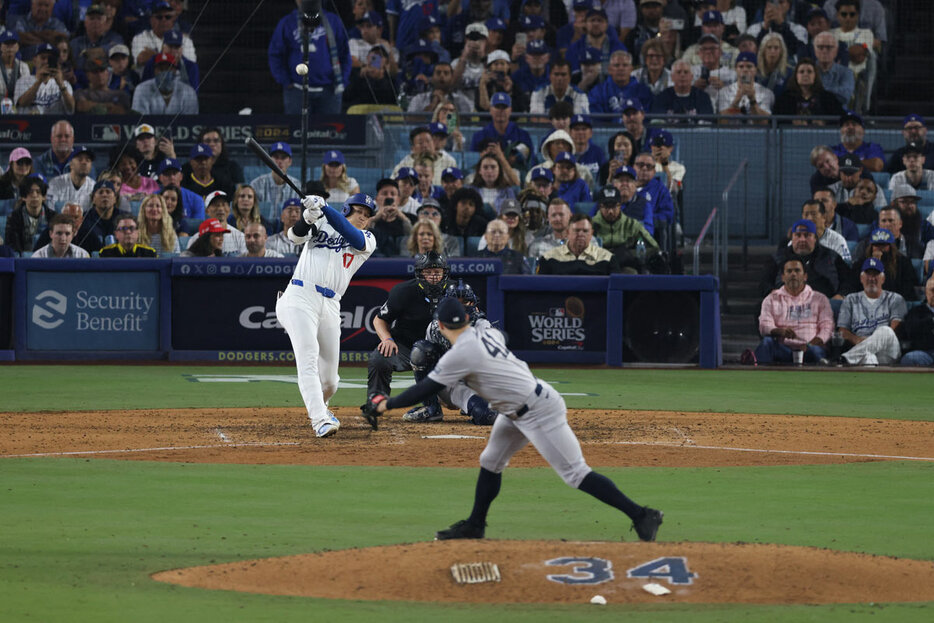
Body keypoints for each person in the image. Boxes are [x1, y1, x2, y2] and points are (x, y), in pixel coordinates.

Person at [364, 296, 664, 542]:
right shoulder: (486, 333)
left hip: (539, 411)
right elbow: (501, 337)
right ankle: (475, 525)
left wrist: (385, 403)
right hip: (517, 408)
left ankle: (642, 515)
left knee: (575, 473)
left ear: (440, 326)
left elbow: (425, 388)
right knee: (491, 461)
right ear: (466, 320)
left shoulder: (460, 354)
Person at [276, 190, 376, 434]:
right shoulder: (321, 221)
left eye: (367, 214)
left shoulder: (367, 238)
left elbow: (351, 234)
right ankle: (320, 419)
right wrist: (309, 217)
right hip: (299, 296)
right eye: (358, 211)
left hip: (331, 304)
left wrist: (324, 208)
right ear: (347, 209)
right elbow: (295, 236)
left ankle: (322, 406)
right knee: (308, 359)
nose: (362, 217)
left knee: (330, 381)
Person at [367, 250, 449, 409]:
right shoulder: (403, 291)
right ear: (420, 273)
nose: (433, 276)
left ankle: (469, 402)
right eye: (428, 272)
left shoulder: (456, 292)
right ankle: (376, 401)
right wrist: (387, 339)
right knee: (380, 357)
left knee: (451, 402)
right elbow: (379, 319)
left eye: (437, 272)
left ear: (444, 273)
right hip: (406, 347)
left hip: (442, 349)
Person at [753, 257, 834, 365]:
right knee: (766, 343)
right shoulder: (771, 299)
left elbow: (827, 327)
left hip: (811, 347)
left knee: (816, 351)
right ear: (782, 277)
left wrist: (811, 344)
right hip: (783, 348)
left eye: (797, 270)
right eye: (789, 271)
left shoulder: (819, 299)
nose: (793, 274)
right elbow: (764, 325)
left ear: (805, 276)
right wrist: (780, 331)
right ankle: (759, 378)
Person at [836, 257, 906, 366]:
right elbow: (842, 331)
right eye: (868, 274)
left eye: (875, 274)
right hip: (861, 350)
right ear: (861, 278)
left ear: (883, 279)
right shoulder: (850, 299)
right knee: (869, 357)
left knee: (885, 331)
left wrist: (871, 341)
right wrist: (858, 340)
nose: (871, 278)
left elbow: (895, 330)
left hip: (888, 351)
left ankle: (845, 359)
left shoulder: (895, 299)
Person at [759, 219, 848, 301]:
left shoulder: (832, 256)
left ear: (815, 239)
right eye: (798, 235)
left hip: (825, 304)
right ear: (792, 238)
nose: (802, 240)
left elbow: (848, 280)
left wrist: (840, 295)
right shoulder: (778, 258)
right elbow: (764, 282)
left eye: (807, 235)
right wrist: (772, 292)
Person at [591, 185, 658, 273]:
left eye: (614, 206)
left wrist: (630, 254)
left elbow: (654, 247)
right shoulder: (590, 225)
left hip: (623, 266)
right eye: (606, 207)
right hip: (597, 267)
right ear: (600, 206)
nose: (610, 211)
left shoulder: (631, 225)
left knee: (631, 273)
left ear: (620, 206)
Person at [537, 213, 623, 275]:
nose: (581, 234)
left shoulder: (608, 259)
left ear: (591, 233)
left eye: (585, 231)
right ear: (567, 233)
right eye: (576, 230)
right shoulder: (548, 258)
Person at [848, 225, 918, 301]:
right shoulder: (861, 263)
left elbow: (908, 289)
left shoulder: (903, 263)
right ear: (871, 246)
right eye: (876, 245)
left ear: (891, 246)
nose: (880, 248)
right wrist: (873, 266)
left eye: (883, 245)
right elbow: (853, 286)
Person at [469, 92, 533, 170]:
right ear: (491, 110)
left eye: (504, 107)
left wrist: (515, 157)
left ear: (510, 110)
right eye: (497, 107)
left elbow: (530, 161)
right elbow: (472, 163)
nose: (501, 111)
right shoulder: (479, 136)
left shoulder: (522, 135)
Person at [773, 57, 845, 122]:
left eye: (809, 71)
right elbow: (775, 121)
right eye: (801, 72)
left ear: (815, 76)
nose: (805, 74)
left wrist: (824, 123)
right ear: (796, 76)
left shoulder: (828, 98)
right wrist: (791, 123)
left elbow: (841, 119)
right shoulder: (785, 98)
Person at [13, 42, 74, 114]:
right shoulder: (23, 81)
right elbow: (22, 103)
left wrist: (61, 84)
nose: (46, 61)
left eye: (50, 58)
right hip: (30, 123)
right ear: (34, 61)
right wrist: (39, 82)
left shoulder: (65, 84)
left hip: (54, 123)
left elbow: (71, 108)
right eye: (43, 58)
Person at [131, 1, 197, 67]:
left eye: (168, 17)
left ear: (173, 20)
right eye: (159, 17)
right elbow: (141, 59)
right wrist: (173, 58)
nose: (164, 20)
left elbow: (191, 65)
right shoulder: (140, 38)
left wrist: (155, 56)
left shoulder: (184, 40)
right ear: (151, 20)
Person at [130, 51, 198, 114]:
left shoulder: (188, 92)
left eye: (168, 69)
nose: (165, 73)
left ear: (175, 71)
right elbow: (139, 121)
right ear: (154, 71)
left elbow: (190, 122)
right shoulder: (142, 89)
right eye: (161, 69)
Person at [588, 50, 653, 115]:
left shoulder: (643, 91)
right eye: (616, 65)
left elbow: (646, 117)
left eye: (625, 65)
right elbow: (597, 119)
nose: (621, 68)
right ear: (610, 69)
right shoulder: (597, 92)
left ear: (631, 69)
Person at [4, 176, 56, 254]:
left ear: (44, 197)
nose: (34, 196)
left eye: (38, 192)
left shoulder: (53, 217)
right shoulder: (14, 218)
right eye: (30, 192)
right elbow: (12, 244)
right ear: (23, 197)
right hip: (22, 259)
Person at [185, 191, 247, 256]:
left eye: (224, 204)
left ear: (229, 209)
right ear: (206, 210)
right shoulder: (196, 239)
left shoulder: (240, 237)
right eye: (215, 205)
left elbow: (245, 263)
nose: (220, 208)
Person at [649, 59, 714, 120]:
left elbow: (706, 124)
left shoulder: (703, 97)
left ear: (691, 77)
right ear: (672, 77)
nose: (682, 75)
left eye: (686, 72)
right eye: (678, 72)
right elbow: (657, 123)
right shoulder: (662, 97)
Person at [392, 126, 457, 187]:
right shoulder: (404, 165)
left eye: (428, 141)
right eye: (420, 143)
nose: (425, 145)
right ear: (413, 148)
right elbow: (392, 186)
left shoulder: (448, 161)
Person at [68, 4, 124, 71]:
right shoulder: (75, 43)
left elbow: (117, 59)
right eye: (92, 18)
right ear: (85, 23)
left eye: (99, 18)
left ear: (105, 23)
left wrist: (88, 54)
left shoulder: (116, 38)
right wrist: (98, 58)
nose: (95, 22)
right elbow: (75, 65)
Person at [716, 51, 773, 116]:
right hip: (733, 126)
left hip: (753, 126)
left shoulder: (766, 93)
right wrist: (736, 100)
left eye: (749, 66)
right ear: (736, 69)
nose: (745, 69)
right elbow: (723, 122)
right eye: (741, 66)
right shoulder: (724, 92)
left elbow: (764, 123)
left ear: (756, 70)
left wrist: (753, 101)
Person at [248, 142, 301, 212]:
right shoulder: (256, 184)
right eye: (276, 157)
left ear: (290, 161)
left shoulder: (297, 186)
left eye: (283, 157)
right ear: (269, 160)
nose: (279, 161)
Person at [406, 61, 475, 113]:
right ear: (432, 78)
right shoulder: (418, 99)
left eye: (446, 73)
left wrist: (444, 102)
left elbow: (464, 123)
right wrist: (432, 105)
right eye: (438, 73)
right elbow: (410, 120)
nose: (442, 76)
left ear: (451, 78)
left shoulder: (461, 100)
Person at [74, 179, 122, 253]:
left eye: (108, 192)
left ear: (115, 198)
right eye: (100, 192)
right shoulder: (84, 219)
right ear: (93, 199)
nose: (104, 195)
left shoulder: (124, 218)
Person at [813, 31, 854, 108]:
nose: (824, 51)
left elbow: (845, 97)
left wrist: (818, 91)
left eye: (829, 47)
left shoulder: (846, 73)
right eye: (820, 47)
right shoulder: (807, 70)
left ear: (836, 51)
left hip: (838, 115)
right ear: (815, 51)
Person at [900, 276, 934, 367]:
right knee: (909, 358)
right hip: (926, 353)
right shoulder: (916, 311)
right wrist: (931, 320)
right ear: (926, 292)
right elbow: (910, 331)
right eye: (933, 290)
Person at [754, 32, 791, 98]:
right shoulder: (754, 71)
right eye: (769, 47)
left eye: (776, 48)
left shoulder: (789, 73)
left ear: (781, 51)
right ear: (763, 50)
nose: (772, 51)